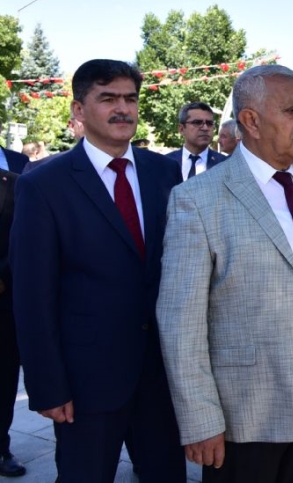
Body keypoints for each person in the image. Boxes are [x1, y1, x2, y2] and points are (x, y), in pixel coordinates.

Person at [156, 64, 293, 483]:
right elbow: (180, 322)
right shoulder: (197, 199)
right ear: (250, 121)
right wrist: (201, 418)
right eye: (291, 110)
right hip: (247, 410)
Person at [10, 59, 185, 482]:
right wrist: (47, 387)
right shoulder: (43, 185)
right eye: (108, 98)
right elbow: (33, 295)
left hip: (161, 377)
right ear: (78, 111)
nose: (123, 108)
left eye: (130, 98)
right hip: (86, 384)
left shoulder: (162, 171)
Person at [0, 170, 23, 478]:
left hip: (4, 303)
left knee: (4, 380)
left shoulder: (13, 183)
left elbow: (23, 239)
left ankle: (2, 448)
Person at [166, 102, 227, 180]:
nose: (205, 128)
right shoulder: (165, 163)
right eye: (197, 123)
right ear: (181, 129)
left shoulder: (225, 164)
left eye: (209, 123)